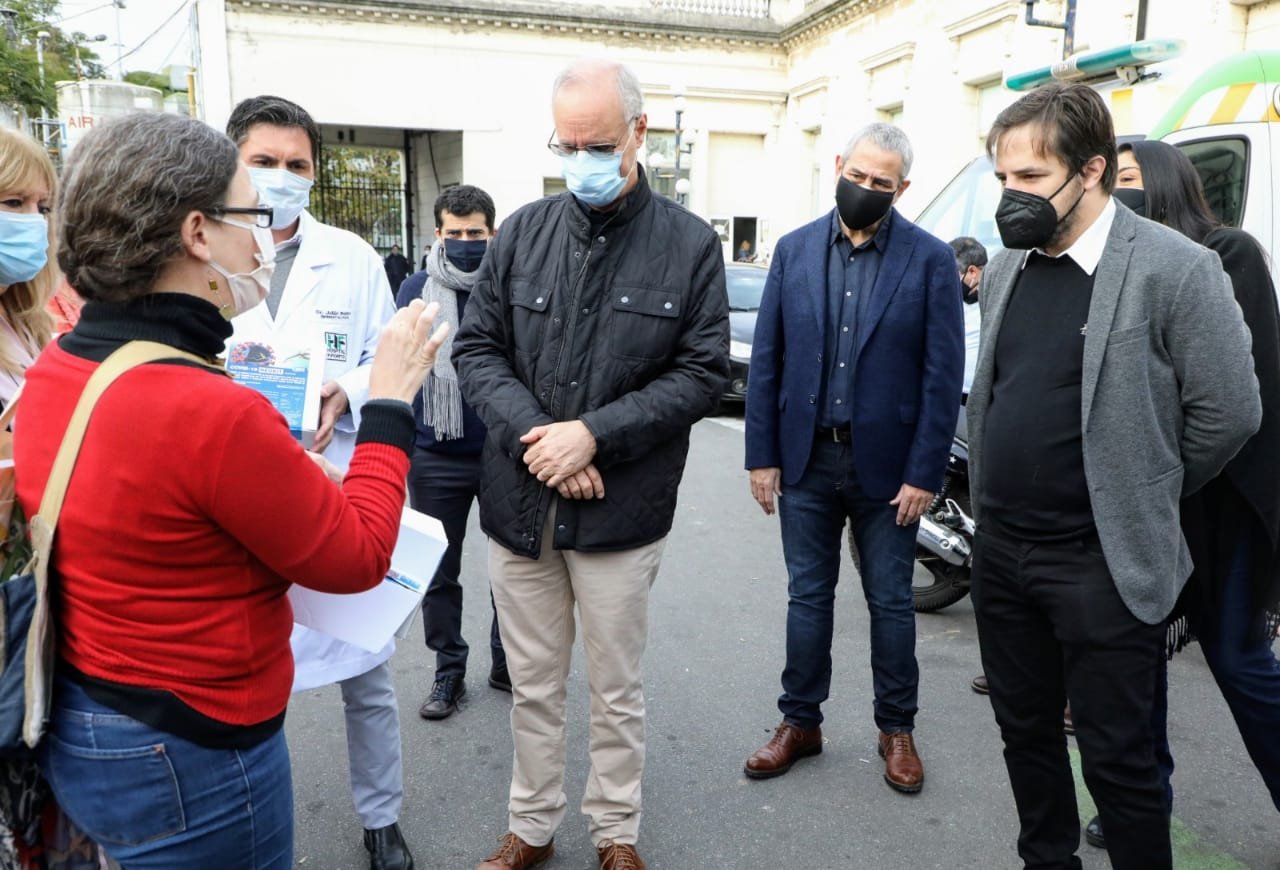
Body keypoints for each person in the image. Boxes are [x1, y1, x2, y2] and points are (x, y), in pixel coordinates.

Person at [14, 111, 447, 869]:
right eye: (249, 213)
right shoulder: (206, 408)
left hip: (89, 712)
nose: (262, 241)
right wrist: (390, 403)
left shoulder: (62, 367)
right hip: (193, 749)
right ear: (197, 234)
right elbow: (355, 557)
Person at [968, 82, 1261, 870]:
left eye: (1030, 179)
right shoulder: (1007, 269)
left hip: (1103, 564)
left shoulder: (1178, 269)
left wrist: (1139, 489)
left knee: (1120, 764)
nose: (1011, 197)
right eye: (1002, 179)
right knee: (1026, 740)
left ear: (1091, 170)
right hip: (1004, 559)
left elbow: (1230, 412)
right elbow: (994, 394)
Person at [453, 57, 728, 870]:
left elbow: (703, 371)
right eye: (567, 145)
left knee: (616, 691)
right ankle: (531, 827)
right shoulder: (524, 234)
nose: (582, 161)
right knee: (532, 687)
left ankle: (616, 832)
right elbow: (478, 351)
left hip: (620, 513)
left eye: (598, 143)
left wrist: (595, 435)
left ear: (639, 133)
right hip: (520, 507)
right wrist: (549, 440)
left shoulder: (689, 244)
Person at [742, 123, 964, 795]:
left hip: (890, 473)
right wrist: (762, 457)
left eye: (882, 183)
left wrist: (925, 472)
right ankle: (799, 724)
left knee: (891, 602)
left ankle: (896, 729)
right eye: (858, 175)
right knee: (807, 598)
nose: (866, 190)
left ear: (903, 188)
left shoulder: (928, 260)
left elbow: (940, 374)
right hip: (806, 462)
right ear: (839, 165)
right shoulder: (794, 250)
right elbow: (769, 363)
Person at [225, 95, 413, 870]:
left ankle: (382, 820)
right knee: (243, 669)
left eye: (296, 165)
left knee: (365, 670)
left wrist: (349, 389)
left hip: (336, 485)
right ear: (231, 164)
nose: (280, 178)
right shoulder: (201, 250)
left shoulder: (354, 257)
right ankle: (250, 826)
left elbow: (383, 353)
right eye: (263, 162)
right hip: (235, 496)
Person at [1078, 139, 1280, 849]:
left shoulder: (1230, 254)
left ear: (1163, 183)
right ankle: (1141, 802)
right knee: (1141, 666)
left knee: (1238, 658)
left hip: (1222, 505)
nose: (1117, 195)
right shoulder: (1110, 269)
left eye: (1129, 180)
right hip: (1148, 510)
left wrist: (1171, 474)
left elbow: (1231, 403)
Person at [395, 184, 508, 720]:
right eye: (455, 233)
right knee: (439, 567)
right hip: (436, 451)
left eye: (475, 233)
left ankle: (507, 657)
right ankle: (448, 671)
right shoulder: (416, 288)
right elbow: (402, 362)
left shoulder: (510, 283)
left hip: (503, 450)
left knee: (512, 562)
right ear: (438, 233)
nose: (466, 242)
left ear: (492, 232)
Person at [949, 236, 985, 397]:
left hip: (975, 396)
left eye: (952, 276)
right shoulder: (955, 302)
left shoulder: (997, 301)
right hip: (955, 393)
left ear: (972, 271)